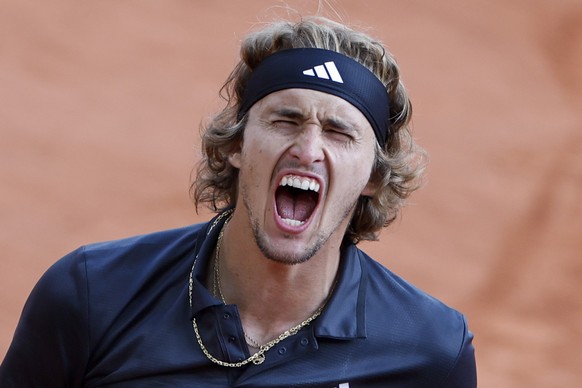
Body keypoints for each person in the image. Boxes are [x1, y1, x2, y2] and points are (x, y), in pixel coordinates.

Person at [0, 16, 477, 387]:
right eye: (285, 121)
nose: (308, 150)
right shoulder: (92, 296)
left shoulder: (430, 352)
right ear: (235, 146)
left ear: (373, 175)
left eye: (338, 132)